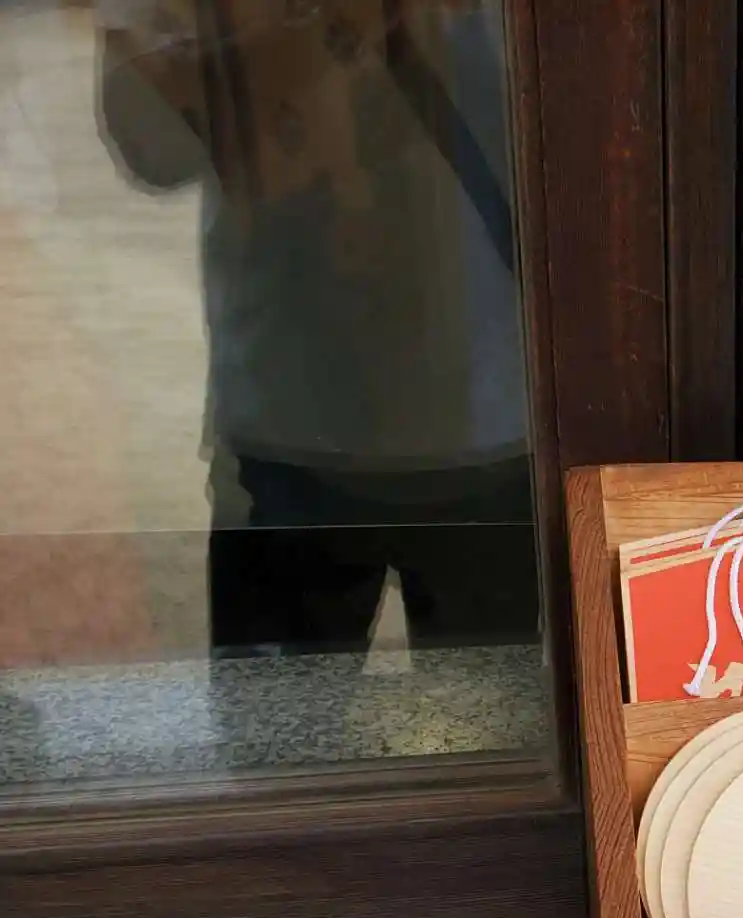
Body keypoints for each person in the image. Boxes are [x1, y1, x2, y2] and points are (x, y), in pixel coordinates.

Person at [95, 0, 539, 660]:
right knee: (279, 720)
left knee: (499, 715)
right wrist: (317, 35)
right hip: (297, 427)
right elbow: (149, 141)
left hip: (485, 423)